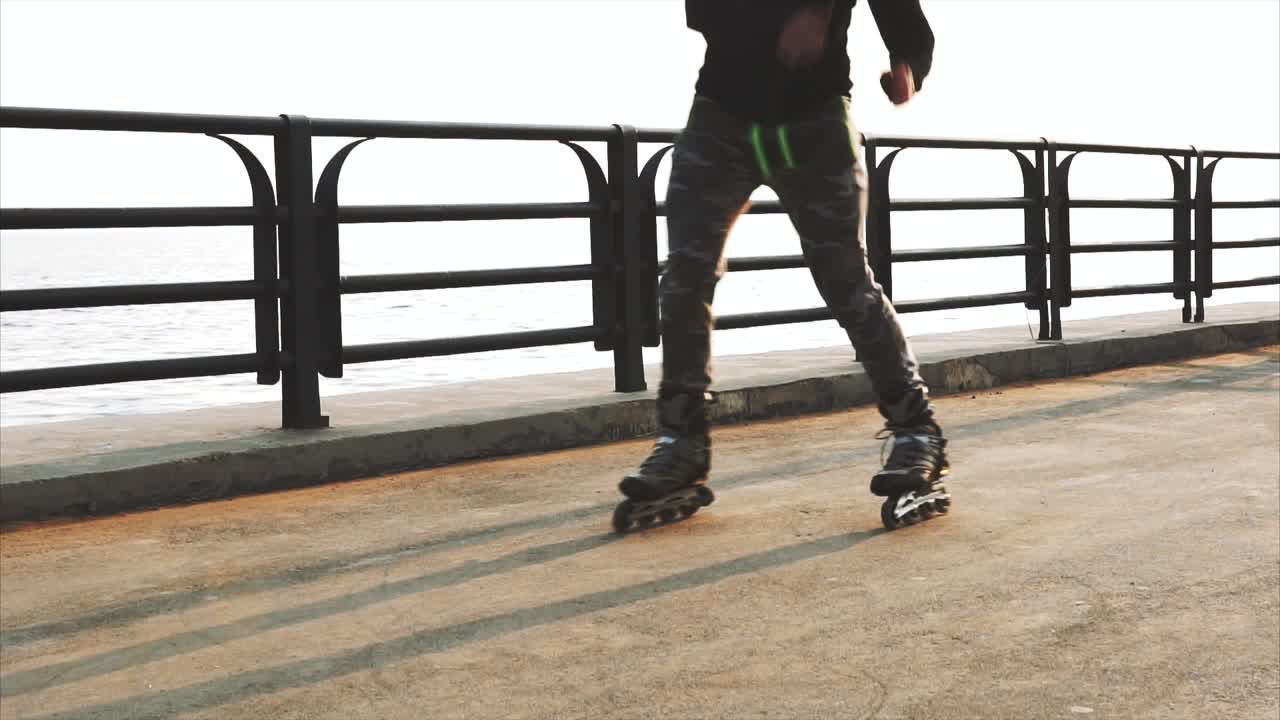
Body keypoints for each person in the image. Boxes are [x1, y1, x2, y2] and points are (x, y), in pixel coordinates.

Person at [619, 0, 949, 519]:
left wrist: (905, 60)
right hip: (721, 111)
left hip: (815, 118)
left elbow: (903, 18)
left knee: (844, 278)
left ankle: (916, 430)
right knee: (685, 273)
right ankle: (682, 443)